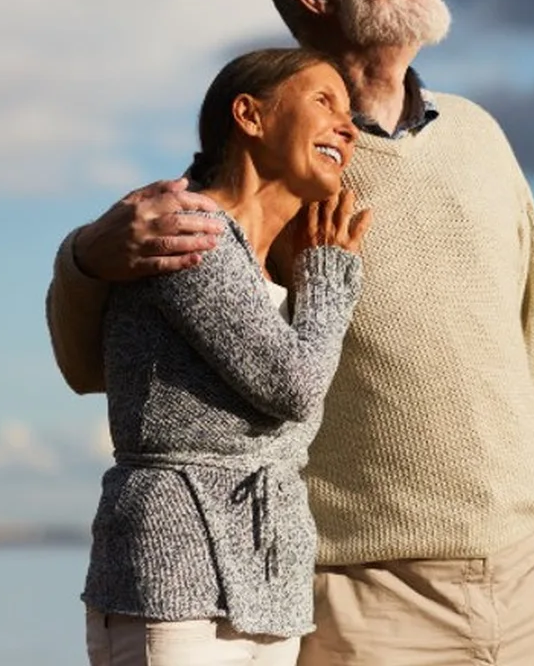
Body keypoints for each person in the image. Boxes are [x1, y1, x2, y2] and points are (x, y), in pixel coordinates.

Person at [47, 0, 534, 663]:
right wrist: (85, 257)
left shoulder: (480, 135)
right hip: (365, 598)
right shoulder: (272, 168)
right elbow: (95, 365)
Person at [80, 47, 371, 666]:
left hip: (272, 576)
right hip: (175, 568)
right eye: (324, 101)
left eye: (350, 112)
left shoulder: (272, 265)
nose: (348, 126)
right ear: (250, 115)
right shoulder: (186, 229)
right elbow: (293, 385)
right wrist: (331, 274)